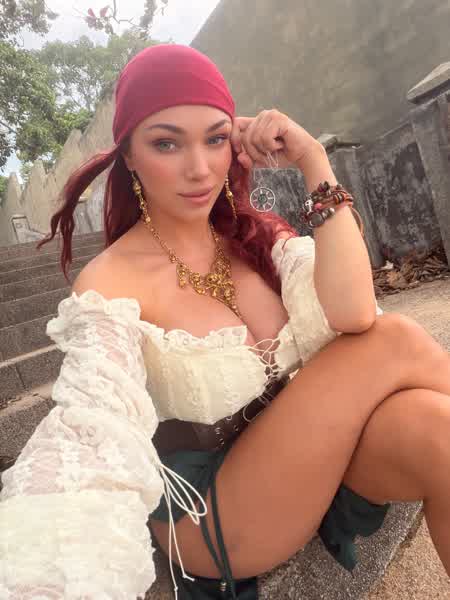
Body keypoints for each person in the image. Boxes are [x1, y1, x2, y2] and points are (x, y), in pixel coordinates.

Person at [1, 43, 450, 600]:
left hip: (305, 462)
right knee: (395, 338)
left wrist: (313, 157)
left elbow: (356, 312)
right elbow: (89, 421)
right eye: (166, 143)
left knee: (438, 428)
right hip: (211, 511)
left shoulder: (254, 236)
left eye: (215, 139)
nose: (200, 168)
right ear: (130, 155)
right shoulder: (109, 284)